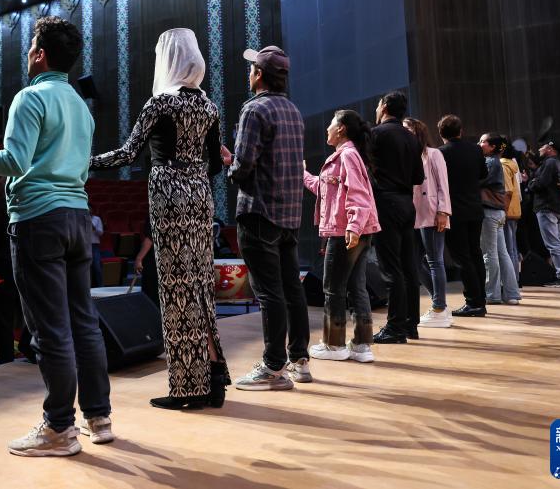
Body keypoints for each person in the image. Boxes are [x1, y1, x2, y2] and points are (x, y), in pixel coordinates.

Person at [0, 16, 113, 455]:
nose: (27, 52)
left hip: (38, 220)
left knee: (50, 330)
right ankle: (98, 416)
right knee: (84, 323)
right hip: (78, 219)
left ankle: (59, 428)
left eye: (30, 46)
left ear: (40, 54)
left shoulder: (30, 97)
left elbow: (14, 162)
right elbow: (81, 168)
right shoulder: (80, 105)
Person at [92, 28, 228, 410]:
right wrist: (193, 174)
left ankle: (189, 389)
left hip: (169, 197)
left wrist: (84, 162)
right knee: (199, 288)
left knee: (176, 293)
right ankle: (214, 377)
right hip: (200, 197)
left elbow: (127, 154)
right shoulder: (209, 106)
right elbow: (216, 164)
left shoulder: (160, 104)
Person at [222, 46, 311, 389]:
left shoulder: (254, 109)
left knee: (269, 293)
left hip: (259, 212)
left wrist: (231, 165)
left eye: (251, 69)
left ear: (259, 75)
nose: (249, 74)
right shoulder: (293, 110)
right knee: (291, 290)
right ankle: (299, 360)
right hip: (289, 215)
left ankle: (273, 367)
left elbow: (244, 166)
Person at [303, 110, 381, 363]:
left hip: (345, 231)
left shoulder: (347, 155)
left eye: (331, 123)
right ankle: (361, 345)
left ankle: (334, 344)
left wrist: (353, 227)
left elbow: (358, 194)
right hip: (353, 230)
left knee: (333, 288)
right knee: (356, 287)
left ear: (341, 129)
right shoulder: (346, 156)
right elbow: (323, 188)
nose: (327, 128)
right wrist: (303, 174)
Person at [370, 91, 424, 343]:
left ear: (384, 107)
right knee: (409, 267)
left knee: (390, 268)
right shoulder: (412, 137)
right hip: (406, 203)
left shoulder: (376, 134)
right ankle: (411, 325)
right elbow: (418, 177)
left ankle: (395, 328)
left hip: (386, 202)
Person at [403, 118, 453, 328]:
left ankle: (439, 308)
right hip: (413, 214)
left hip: (432, 212)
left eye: (407, 128)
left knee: (434, 260)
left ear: (417, 131)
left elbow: (443, 185)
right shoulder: (407, 156)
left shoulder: (433, 154)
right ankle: (438, 303)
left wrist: (443, 211)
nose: (403, 132)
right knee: (414, 263)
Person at [438, 115, 489, 317]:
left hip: (454, 211)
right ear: (461, 131)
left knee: (462, 258)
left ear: (441, 133)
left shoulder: (441, 153)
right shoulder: (475, 150)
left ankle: (473, 302)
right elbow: (483, 174)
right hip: (475, 208)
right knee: (475, 253)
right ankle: (481, 299)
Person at [0, 178, 33, 364]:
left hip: (6, 268)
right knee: (33, 313)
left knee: (5, 319)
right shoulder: (28, 203)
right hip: (27, 267)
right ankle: (28, 346)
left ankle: (6, 359)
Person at [478, 135, 521, 305]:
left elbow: (478, 182)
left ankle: (492, 295)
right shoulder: (499, 162)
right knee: (502, 254)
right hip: (499, 212)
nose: (479, 144)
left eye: (483, 141)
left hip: (489, 211)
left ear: (493, 146)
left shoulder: (490, 162)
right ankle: (511, 294)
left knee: (490, 254)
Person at [529, 141, 560, 287]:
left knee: (553, 244)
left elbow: (540, 184)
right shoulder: (559, 164)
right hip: (557, 207)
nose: (539, 149)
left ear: (549, 149)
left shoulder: (549, 163)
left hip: (547, 207)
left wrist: (531, 182)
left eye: (542, 147)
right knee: (558, 243)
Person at [501, 144, 524, 279]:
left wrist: (503, 212)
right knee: (513, 248)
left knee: (508, 249)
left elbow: (507, 191)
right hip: (515, 209)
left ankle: (511, 281)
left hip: (507, 211)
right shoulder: (513, 164)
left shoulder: (503, 165)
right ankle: (515, 279)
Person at [134, 218, 160, 307]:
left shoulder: (155, 215)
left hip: (153, 263)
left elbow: (150, 238)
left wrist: (139, 259)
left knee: (151, 296)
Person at [90, 212, 105, 287]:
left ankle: (100, 286)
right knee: (86, 267)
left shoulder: (97, 219)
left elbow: (101, 233)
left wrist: (94, 228)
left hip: (94, 245)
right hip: (84, 245)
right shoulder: (81, 218)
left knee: (97, 266)